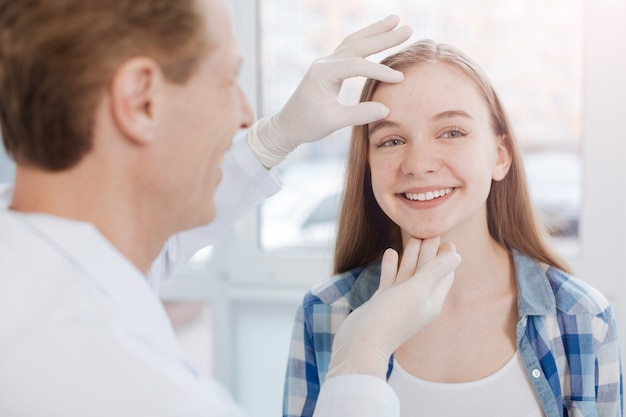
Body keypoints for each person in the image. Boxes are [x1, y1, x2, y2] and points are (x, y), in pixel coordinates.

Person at [0, 1, 464, 416]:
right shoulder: (130, 389)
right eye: (226, 81)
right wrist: (361, 355)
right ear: (142, 100)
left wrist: (277, 135)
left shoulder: (29, 256)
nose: (245, 115)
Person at [283, 39, 623, 417]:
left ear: (500, 156)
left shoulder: (582, 318)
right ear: (367, 165)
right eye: (391, 140)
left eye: (452, 132)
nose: (418, 164)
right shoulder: (324, 313)